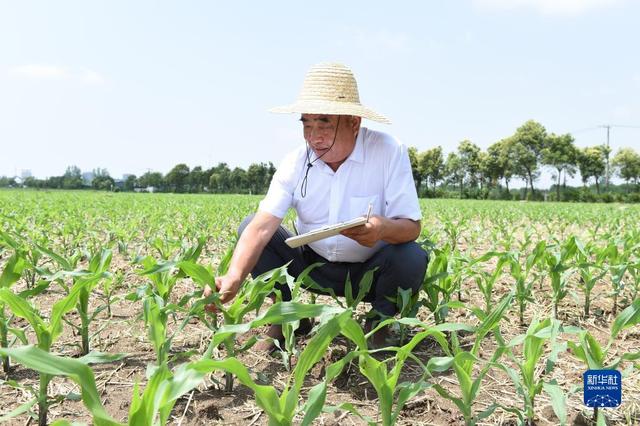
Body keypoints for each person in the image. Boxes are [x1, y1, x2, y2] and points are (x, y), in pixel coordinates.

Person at [205, 62, 428, 349]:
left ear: (354, 123)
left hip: (370, 271)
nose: (314, 136)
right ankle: (286, 320)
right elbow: (261, 228)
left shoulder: (387, 151)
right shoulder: (295, 162)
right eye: (307, 125)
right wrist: (234, 276)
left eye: (324, 124)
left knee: (411, 256)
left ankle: (378, 327)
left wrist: (381, 229)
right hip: (310, 266)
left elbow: (412, 227)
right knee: (250, 225)